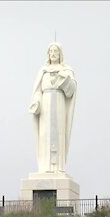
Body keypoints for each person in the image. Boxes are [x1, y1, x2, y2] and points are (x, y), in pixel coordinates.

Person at [29, 42, 77, 173]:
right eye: (51, 51)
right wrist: (37, 102)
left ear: (60, 54)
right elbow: (38, 91)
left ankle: (59, 167)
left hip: (59, 103)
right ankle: (44, 167)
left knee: (59, 133)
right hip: (45, 105)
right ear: (48, 54)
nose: (53, 54)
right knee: (44, 135)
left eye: (56, 51)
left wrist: (64, 79)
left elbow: (71, 90)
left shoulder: (66, 70)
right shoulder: (43, 71)